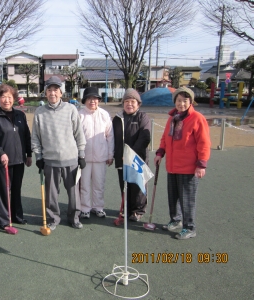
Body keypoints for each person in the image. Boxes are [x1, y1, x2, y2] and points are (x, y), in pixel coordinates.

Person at [154, 87, 210, 240]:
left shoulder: (197, 118)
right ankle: (175, 220)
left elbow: (203, 143)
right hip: (172, 166)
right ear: (175, 102)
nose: (181, 104)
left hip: (189, 167)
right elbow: (165, 138)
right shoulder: (173, 118)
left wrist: (201, 164)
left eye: (185, 100)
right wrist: (160, 153)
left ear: (190, 102)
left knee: (187, 199)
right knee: (173, 197)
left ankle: (189, 227)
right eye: (179, 100)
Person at [31, 76, 86, 231]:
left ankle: (74, 218)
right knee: (51, 194)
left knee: (74, 193)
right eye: (49, 90)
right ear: (45, 93)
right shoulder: (40, 112)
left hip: (71, 159)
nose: (52, 93)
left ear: (61, 92)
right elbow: (35, 136)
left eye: (55, 90)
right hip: (50, 160)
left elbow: (79, 133)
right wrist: (38, 157)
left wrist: (81, 154)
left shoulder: (71, 109)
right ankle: (53, 218)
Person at [0, 84, 32, 232]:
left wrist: (29, 154)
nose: (7, 100)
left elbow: (26, 135)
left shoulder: (20, 115)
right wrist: (1, 153)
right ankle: (4, 221)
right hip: (3, 162)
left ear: (14, 99)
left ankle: (17, 216)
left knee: (16, 189)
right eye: (3, 97)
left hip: (19, 160)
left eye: (10, 97)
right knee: (3, 191)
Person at [113, 88, 151, 222]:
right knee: (124, 185)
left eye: (132, 101)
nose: (129, 104)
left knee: (138, 186)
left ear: (138, 104)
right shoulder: (118, 119)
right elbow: (113, 139)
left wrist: (131, 153)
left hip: (137, 159)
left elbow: (145, 138)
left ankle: (137, 210)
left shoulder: (143, 117)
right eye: (127, 101)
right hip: (121, 159)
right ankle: (127, 208)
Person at [79, 87, 114, 219]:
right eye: (89, 98)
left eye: (95, 98)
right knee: (85, 184)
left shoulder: (104, 114)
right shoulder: (79, 114)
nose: (92, 101)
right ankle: (85, 208)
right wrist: (78, 155)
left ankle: (98, 207)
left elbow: (110, 136)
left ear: (98, 100)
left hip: (101, 156)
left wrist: (110, 155)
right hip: (84, 157)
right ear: (85, 100)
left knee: (99, 184)